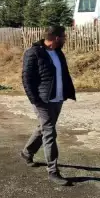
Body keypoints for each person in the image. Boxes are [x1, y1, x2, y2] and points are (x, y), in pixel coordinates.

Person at [20, 25, 76, 186]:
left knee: (43, 128)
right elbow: (26, 79)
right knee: (50, 132)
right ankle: (53, 171)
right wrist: (35, 100)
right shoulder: (33, 53)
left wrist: (66, 92)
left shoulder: (59, 53)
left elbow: (63, 74)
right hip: (42, 101)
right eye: (64, 36)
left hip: (57, 99)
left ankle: (27, 152)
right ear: (56, 38)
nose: (65, 39)